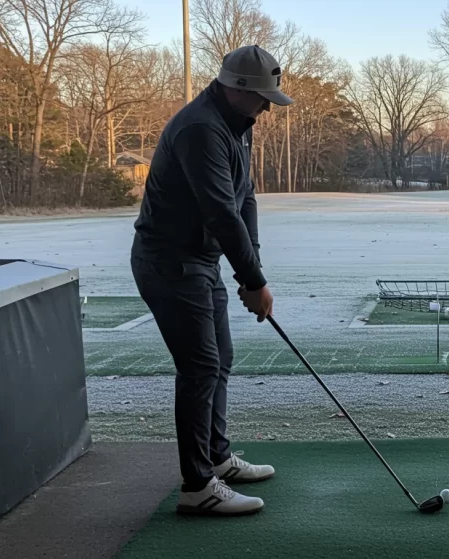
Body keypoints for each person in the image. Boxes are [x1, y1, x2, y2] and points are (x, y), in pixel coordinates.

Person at [130, 45, 293, 516]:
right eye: (262, 96)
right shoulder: (201, 128)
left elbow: (245, 200)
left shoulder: (237, 125)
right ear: (235, 89)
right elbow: (220, 212)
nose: (267, 106)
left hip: (200, 261)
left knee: (219, 359)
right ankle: (198, 486)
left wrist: (253, 274)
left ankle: (217, 460)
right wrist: (253, 280)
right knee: (200, 367)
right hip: (169, 263)